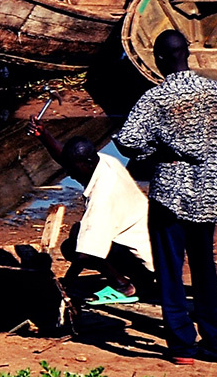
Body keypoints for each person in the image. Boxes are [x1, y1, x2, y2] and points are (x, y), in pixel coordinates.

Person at [114, 30, 217, 365]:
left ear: (159, 58)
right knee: (205, 269)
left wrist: (156, 149)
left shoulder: (157, 98)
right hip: (211, 195)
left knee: (170, 272)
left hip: (171, 194)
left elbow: (126, 141)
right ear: (189, 52)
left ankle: (182, 347)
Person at [28, 123, 152, 305]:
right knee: (79, 233)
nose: (69, 175)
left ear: (87, 163)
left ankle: (124, 286)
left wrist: (65, 284)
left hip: (144, 261)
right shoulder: (104, 162)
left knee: (75, 246)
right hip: (149, 244)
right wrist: (44, 135)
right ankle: (130, 278)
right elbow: (68, 158)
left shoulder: (102, 195)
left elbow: (85, 254)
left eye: (73, 169)